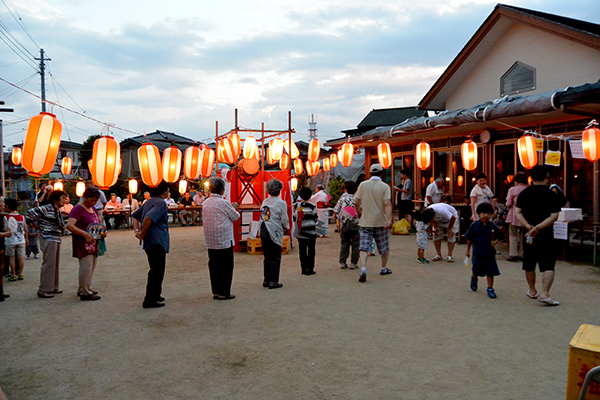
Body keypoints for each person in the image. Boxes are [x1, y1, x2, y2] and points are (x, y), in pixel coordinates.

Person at [516, 165, 562, 306]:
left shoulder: (524, 193)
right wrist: (539, 227)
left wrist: (528, 226)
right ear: (547, 176)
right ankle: (545, 293)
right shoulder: (551, 194)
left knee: (529, 263)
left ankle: (532, 290)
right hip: (546, 233)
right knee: (548, 264)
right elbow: (554, 216)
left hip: (529, 234)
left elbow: (518, 212)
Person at [132, 182, 170, 309]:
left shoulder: (148, 201)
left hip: (150, 241)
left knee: (156, 269)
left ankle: (156, 295)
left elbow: (135, 216)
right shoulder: (160, 203)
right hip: (156, 240)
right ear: (164, 191)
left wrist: (137, 231)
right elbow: (148, 218)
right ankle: (150, 299)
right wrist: (141, 233)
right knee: (157, 270)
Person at [202, 177, 240, 300]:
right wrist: (233, 207)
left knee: (214, 266)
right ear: (222, 190)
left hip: (210, 240)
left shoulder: (206, 202)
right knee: (226, 267)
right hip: (223, 239)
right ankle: (224, 292)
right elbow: (235, 216)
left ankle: (216, 291)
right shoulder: (223, 202)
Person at [354, 163, 393, 282]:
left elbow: (356, 201)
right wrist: (389, 219)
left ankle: (364, 268)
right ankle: (383, 268)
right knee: (384, 247)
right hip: (380, 221)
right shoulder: (385, 187)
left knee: (364, 246)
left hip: (365, 221)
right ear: (382, 173)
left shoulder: (363, 185)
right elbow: (387, 203)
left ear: (370, 174)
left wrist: (359, 212)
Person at [26, 190, 68, 299]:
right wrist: (34, 226)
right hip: (48, 237)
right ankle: (44, 289)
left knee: (54, 263)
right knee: (49, 264)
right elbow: (29, 213)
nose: (65, 200)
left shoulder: (57, 210)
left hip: (55, 237)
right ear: (55, 199)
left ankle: (53, 286)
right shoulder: (47, 208)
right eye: (63, 198)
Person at [66, 187, 105, 301]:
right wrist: (85, 234)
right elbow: (70, 225)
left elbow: (96, 222)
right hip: (84, 241)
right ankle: (85, 292)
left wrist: (102, 232)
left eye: (95, 201)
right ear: (85, 197)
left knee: (91, 266)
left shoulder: (92, 208)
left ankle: (84, 287)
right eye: (91, 200)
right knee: (86, 266)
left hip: (93, 240)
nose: (93, 203)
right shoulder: (78, 209)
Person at [465, 202, 502, 299]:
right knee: (477, 269)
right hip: (478, 252)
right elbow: (469, 238)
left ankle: (490, 288)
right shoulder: (474, 226)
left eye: (489, 213)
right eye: (484, 213)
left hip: (490, 253)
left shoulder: (493, 226)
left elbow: (498, 237)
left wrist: (495, 242)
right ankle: (474, 277)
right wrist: (468, 250)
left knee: (490, 271)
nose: (486, 216)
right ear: (479, 214)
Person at [260, 179, 290, 289]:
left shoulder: (265, 202)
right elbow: (284, 219)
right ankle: (273, 281)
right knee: (275, 257)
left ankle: (266, 279)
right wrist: (287, 227)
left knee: (267, 257)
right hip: (274, 230)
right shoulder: (281, 203)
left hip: (263, 228)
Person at [333, 181, 360, 270]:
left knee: (344, 242)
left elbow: (337, 208)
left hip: (344, 223)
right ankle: (353, 263)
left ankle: (343, 262)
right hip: (355, 222)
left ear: (346, 190)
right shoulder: (358, 199)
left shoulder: (342, 199)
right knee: (356, 243)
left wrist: (336, 216)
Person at [293, 187, 318, 275]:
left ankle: (303, 268)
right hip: (311, 231)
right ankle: (310, 268)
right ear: (310, 196)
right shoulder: (313, 206)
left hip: (301, 231)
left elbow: (294, 217)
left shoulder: (297, 206)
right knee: (311, 250)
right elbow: (315, 218)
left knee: (302, 250)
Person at [505, 172, 528, 262]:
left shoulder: (512, 190)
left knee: (513, 235)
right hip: (525, 215)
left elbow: (508, 203)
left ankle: (513, 254)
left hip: (514, 214)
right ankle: (522, 253)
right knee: (523, 235)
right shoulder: (528, 189)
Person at [5, 198, 28, 282]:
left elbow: (5, 229)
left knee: (12, 257)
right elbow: (25, 229)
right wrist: (26, 238)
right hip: (21, 239)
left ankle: (13, 274)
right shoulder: (21, 217)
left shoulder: (6, 217)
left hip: (10, 240)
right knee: (21, 257)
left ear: (7, 207)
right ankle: (20, 274)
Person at [0, 197, 12, 302]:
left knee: (1, 269)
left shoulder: (1, 216)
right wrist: (6, 234)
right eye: (1, 203)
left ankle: (1, 292)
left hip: (1, 245)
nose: (3, 205)